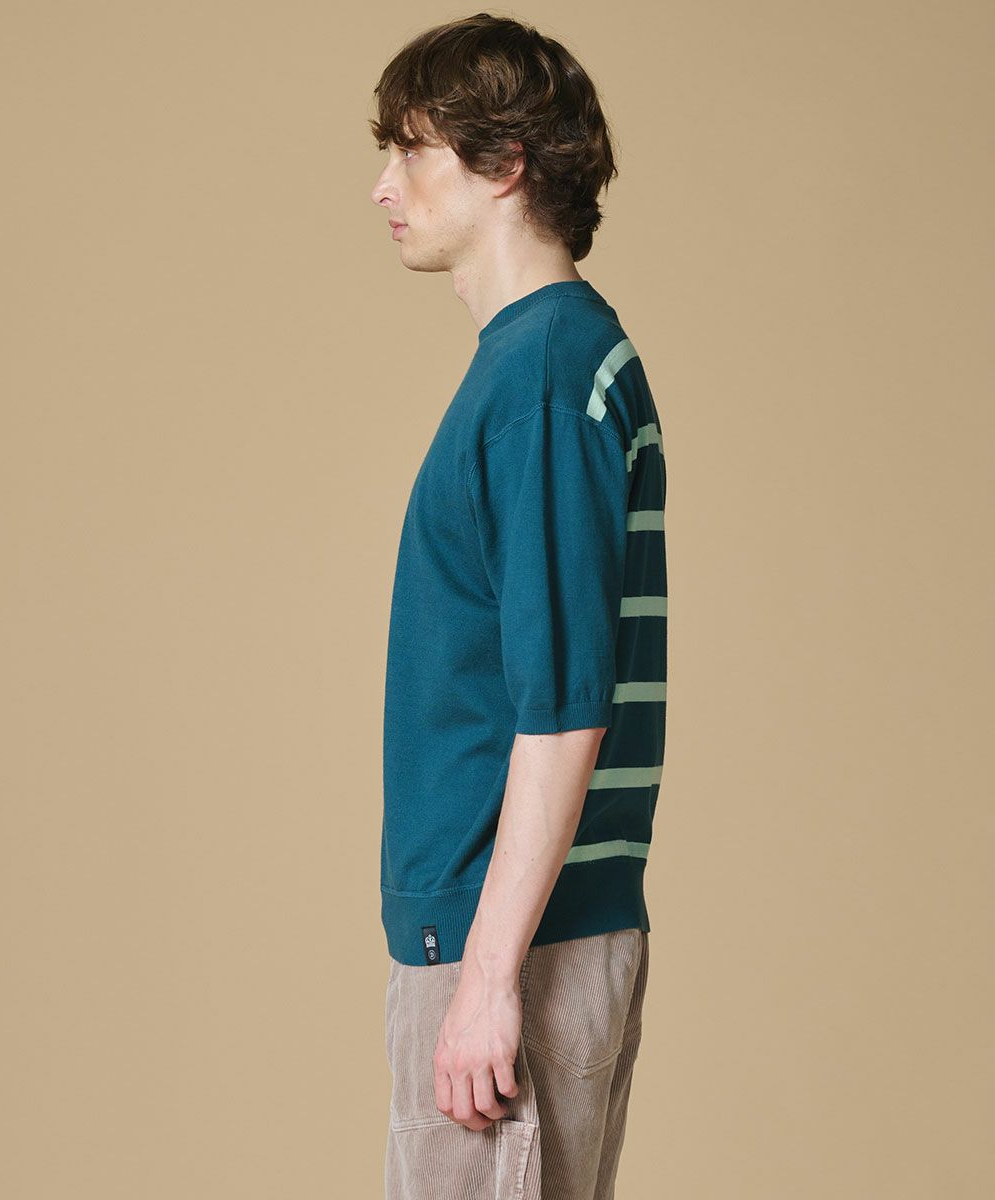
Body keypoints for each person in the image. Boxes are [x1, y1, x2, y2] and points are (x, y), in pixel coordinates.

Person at [368, 14, 667, 1199]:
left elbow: (564, 704)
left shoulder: (541, 378)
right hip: (512, 931)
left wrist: (487, 979)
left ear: (504, 164)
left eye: (411, 150)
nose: (383, 186)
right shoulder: (544, 363)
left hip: (512, 943)